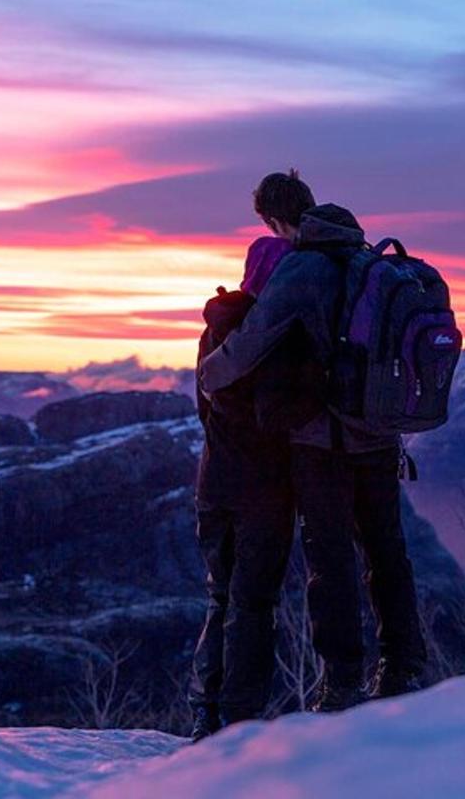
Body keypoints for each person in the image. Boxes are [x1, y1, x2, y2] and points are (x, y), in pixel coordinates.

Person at [198, 170, 428, 712]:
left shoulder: (302, 266)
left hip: (324, 441)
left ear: (276, 221)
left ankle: (342, 681)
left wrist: (209, 374)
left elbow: (254, 341)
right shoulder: (367, 256)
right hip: (379, 434)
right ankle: (403, 666)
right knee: (387, 550)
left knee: (330, 560)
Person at [188, 229, 323, 741]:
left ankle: (206, 707)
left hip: (215, 483)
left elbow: (205, 405)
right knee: (254, 603)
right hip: (265, 491)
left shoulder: (216, 326)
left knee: (220, 597)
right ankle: (239, 720)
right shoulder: (284, 334)